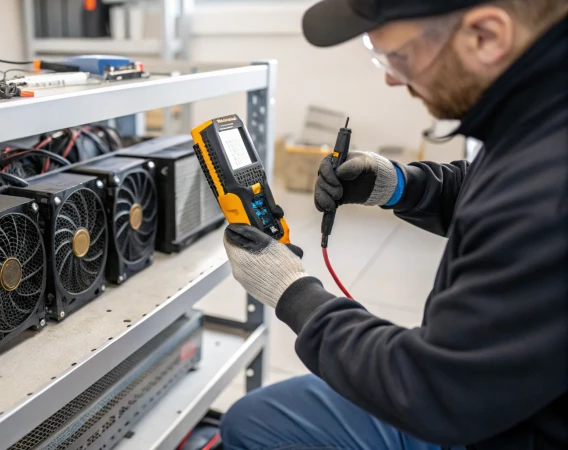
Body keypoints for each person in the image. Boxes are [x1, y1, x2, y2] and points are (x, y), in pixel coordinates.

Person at [220, 0, 568, 449]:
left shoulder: (550, 188)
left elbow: (432, 391)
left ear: (486, 36)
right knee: (253, 418)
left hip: (486, 423)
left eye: (397, 57)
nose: (390, 77)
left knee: (258, 430)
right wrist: (402, 185)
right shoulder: (539, 112)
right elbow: (496, 193)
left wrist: (295, 294)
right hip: (484, 396)